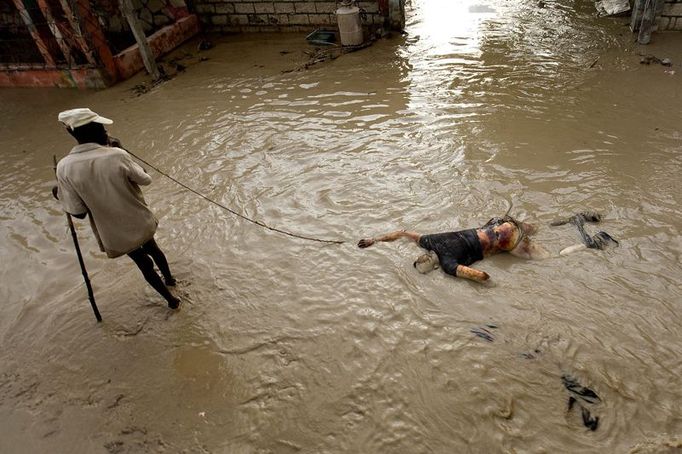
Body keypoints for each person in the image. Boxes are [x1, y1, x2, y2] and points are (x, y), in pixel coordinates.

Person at [54, 108, 180, 309]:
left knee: (143, 265)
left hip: (114, 233)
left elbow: (78, 212)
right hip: (139, 221)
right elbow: (145, 179)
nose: (105, 132)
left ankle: (172, 301)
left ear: (72, 133)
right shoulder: (116, 155)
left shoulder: (64, 168)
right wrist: (123, 151)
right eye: (101, 128)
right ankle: (171, 280)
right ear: (95, 132)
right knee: (154, 249)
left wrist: (59, 195)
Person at [357, 215, 550, 283]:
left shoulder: (448, 265)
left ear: (434, 266)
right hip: (498, 225)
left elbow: (483, 276)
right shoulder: (430, 241)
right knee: (541, 227)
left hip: (507, 241)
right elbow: (402, 232)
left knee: (551, 260)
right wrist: (374, 239)